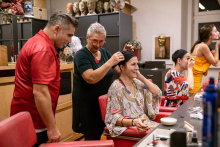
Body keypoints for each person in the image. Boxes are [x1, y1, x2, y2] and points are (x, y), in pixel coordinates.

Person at [10, 11, 78, 146]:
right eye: (69, 35)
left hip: (31, 117)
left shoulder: (39, 43)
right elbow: (40, 93)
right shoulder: (43, 49)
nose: (70, 40)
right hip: (33, 119)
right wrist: (52, 127)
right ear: (57, 29)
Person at [72, 22, 133, 140]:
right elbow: (90, 78)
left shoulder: (104, 52)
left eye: (101, 42)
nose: (98, 45)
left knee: (104, 132)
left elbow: (118, 69)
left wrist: (124, 54)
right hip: (87, 105)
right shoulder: (81, 55)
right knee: (92, 138)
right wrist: (110, 61)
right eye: (94, 41)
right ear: (87, 38)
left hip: (103, 103)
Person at [105, 50, 162, 137]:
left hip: (144, 123)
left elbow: (156, 93)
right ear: (122, 67)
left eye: (137, 64)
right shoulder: (116, 87)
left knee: (170, 134)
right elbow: (115, 118)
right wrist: (134, 122)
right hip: (129, 127)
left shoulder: (136, 82)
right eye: (133, 64)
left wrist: (141, 77)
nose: (137, 67)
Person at [190, 24, 220, 93]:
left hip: (194, 80)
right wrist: (217, 45)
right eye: (215, 31)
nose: (217, 32)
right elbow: (215, 63)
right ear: (210, 35)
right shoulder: (203, 46)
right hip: (194, 82)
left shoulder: (200, 45)